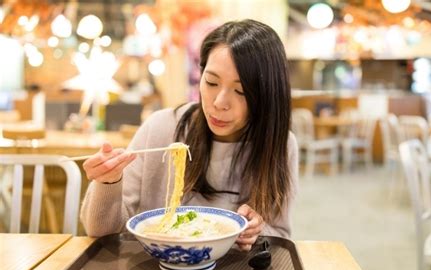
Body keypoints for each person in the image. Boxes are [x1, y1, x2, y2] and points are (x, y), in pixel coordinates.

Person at [80, 19, 299, 252]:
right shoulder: (162, 128)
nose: (219, 102)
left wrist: (257, 230)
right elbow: (101, 231)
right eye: (212, 82)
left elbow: (280, 236)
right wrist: (107, 181)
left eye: (241, 91)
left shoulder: (280, 144)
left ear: (267, 95)